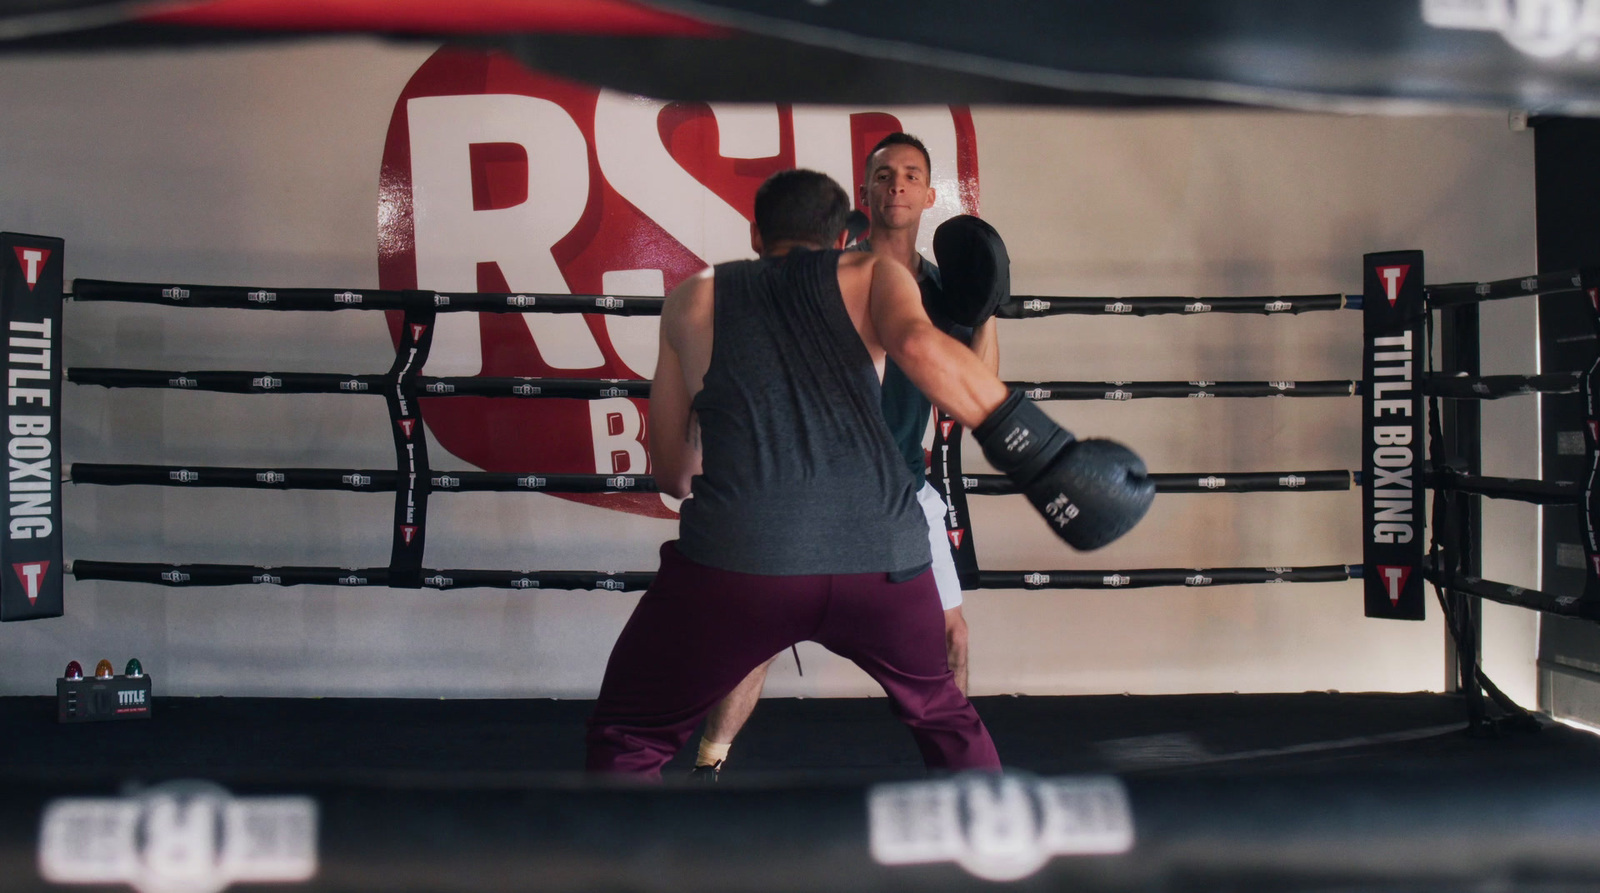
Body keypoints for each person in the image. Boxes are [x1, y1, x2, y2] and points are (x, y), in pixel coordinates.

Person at [585, 169, 1153, 779]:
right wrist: (1044, 456)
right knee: (942, 714)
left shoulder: (694, 297)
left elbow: (674, 475)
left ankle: (620, 867)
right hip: (882, 562)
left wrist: (728, 407)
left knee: (631, 735)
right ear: (840, 239)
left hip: (744, 564)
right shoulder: (873, 273)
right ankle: (990, 857)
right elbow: (915, 343)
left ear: (754, 235)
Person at [689, 133, 997, 779]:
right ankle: (710, 761)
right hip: (818, 485)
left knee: (951, 637)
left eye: (911, 175)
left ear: (929, 193)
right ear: (864, 193)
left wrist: (987, 307)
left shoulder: (943, 291)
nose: (897, 186)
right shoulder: (826, 276)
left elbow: (975, 390)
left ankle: (959, 785)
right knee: (756, 641)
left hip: (902, 489)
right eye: (884, 175)